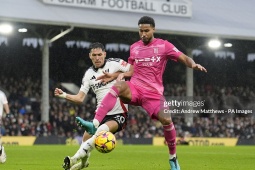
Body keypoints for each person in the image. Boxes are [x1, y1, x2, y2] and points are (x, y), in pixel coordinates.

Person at [78, 16, 207, 170]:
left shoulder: (164, 46)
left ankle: (173, 158)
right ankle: (95, 124)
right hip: (136, 88)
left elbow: (183, 57)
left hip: (153, 94)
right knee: (119, 86)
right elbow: (131, 70)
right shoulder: (134, 47)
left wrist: (193, 65)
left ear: (153, 29)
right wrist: (114, 75)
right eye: (141, 31)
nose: (143, 34)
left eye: (146, 30)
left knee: (166, 120)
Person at [54, 42, 133, 170]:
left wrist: (120, 75)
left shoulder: (115, 63)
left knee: (100, 130)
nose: (97, 58)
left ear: (104, 54)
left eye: (100, 54)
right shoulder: (88, 74)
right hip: (100, 114)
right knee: (85, 139)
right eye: (94, 55)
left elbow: (134, 70)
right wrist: (64, 95)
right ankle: (84, 164)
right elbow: (80, 98)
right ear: (90, 56)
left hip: (118, 114)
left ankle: (73, 159)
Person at [0, 90, 10, 163]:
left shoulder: (1, 94)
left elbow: (5, 105)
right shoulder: (1, 94)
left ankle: (1, 151)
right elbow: (5, 104)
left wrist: (8, 114)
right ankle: (1, 150)